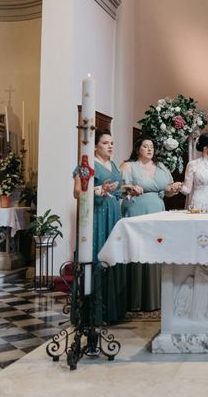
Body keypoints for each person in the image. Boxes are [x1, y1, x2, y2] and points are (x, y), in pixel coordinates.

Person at [120, 135, 182, 311]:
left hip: (158, 212)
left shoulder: (161, 167)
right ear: (138, 148)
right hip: (136, 211)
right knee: (139, 250)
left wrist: (172, 189)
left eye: (152, 147)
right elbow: (119, 189)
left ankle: (157, 297)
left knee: (156, 250)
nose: (149, 149)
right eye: (145, 146)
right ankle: (136, 298)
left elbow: (167, 192)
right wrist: (130, 188)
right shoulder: (128, 166)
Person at [73, 129, 127, 324]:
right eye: (105, 143)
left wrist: (127, 191)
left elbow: (117, 191)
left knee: (113, 257)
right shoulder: (86, 165)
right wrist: (98, 190)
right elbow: (77, 193)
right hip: (97, 215)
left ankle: (113, 310)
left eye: (112, 142)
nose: (110, 146)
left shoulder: (113, 164)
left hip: (113, 213)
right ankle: (94, 313)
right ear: (95, 145)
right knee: (97, 257)